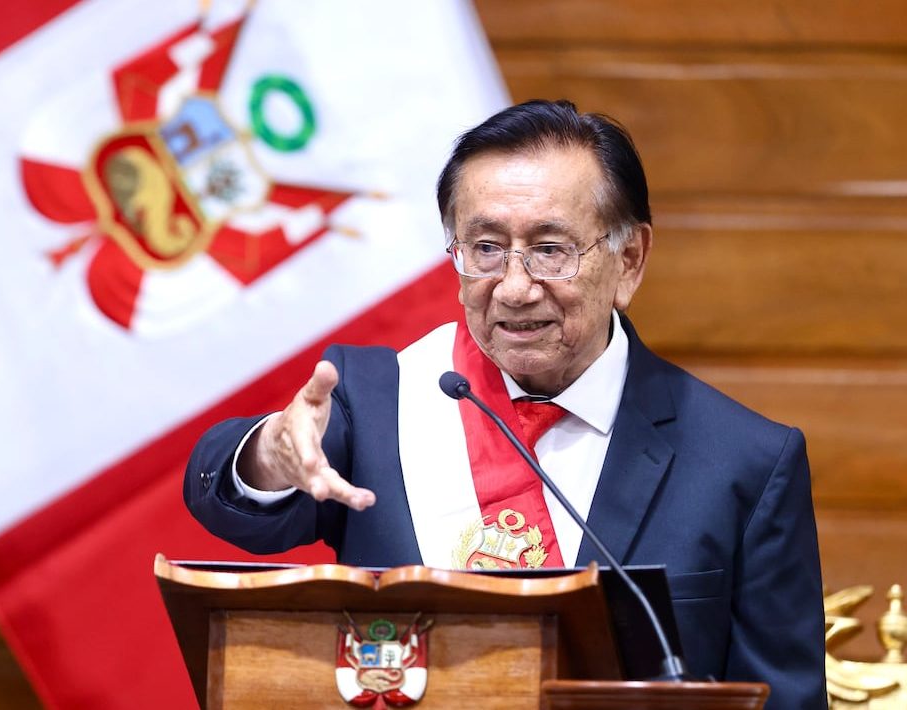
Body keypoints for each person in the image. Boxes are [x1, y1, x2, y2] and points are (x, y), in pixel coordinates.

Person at [184, 99, 825, 708]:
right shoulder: (378, 401)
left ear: (629, 260)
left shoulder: (743, 462)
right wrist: (268, 455)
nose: (515, 289)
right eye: (486, 248)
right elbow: (228, 502)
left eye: (550, 249)